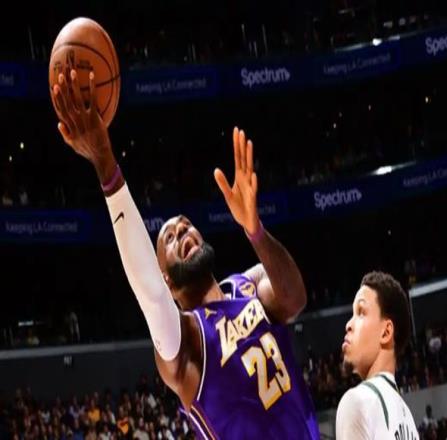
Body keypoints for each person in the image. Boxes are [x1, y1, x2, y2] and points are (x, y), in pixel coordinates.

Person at [51, 68, 320, 439]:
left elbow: (294, 299)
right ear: (165, 276)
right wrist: (106, 166)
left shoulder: (250, 285)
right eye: (170, 239)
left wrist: (255, 230)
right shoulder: (186, 342)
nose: (182, 232)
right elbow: (151, 297)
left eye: (186, 226)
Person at [336, 272, 418, 439]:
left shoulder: (358, 401)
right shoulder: (409, 421)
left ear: (386, 332)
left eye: (361, 312)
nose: (348, 324)